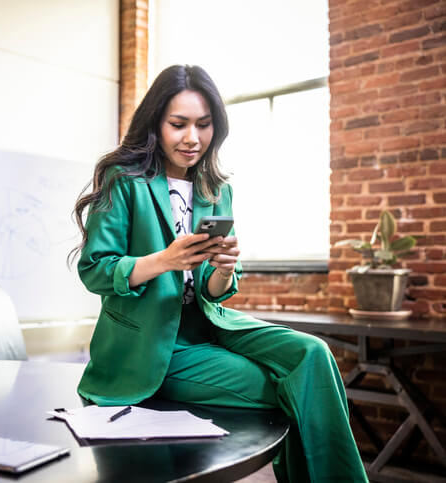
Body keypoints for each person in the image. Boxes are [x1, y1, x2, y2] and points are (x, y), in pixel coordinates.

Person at [71, 64, 367, 482]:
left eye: (204, 125)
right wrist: (164, 260)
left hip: (212, 327)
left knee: (313, 354)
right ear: (156, 123)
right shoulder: (125, 182)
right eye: (179, 124)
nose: (192, 138)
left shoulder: (216, 188)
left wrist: (224, 270)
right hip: (155, 349)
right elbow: (94, 270)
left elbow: (214, 291)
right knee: (297, 392)